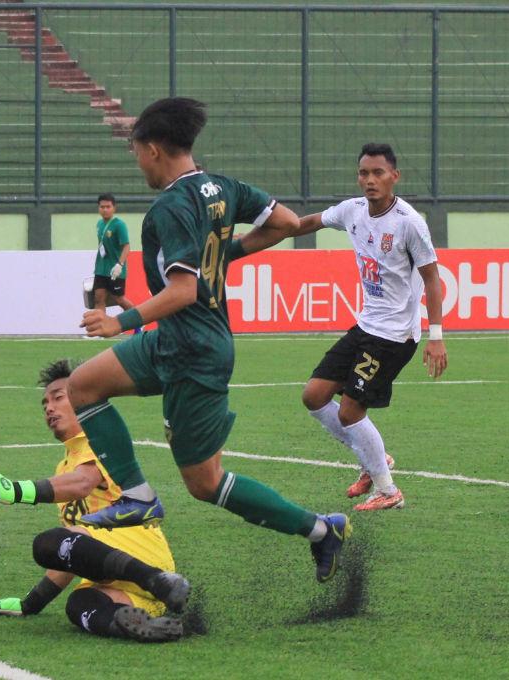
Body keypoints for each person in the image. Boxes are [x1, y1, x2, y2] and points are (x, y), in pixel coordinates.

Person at [67, 97, 351, 583]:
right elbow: (285, 223)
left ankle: (323, 530)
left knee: (205, 482)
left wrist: (123, 320)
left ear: (153, 149)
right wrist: (224, 255)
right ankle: (135, 497)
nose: (137, 164)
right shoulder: (221, 186)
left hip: (195, 352)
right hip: (175, 340)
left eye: (136, 152)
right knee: (82, 386)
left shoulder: (170, 207)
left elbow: (184, 289)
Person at [0, 359, 190, 642]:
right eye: (45, 403)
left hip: (144, 558)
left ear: (80, 397)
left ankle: (157, 580)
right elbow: (72, 552)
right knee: (79, 605)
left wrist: (16, 490)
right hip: (132, 585)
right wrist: (30, 604)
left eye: (58, 397)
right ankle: (149, 628)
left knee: (46, 543)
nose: (49, 407)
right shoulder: (64, 467)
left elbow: (84, 482)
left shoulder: (102, 440)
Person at [289, 143, 447, 511]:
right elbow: (306, 223)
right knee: (314, 396)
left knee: (350, 411)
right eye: (364, 173)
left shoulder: (409, 223)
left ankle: (388, 490)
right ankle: (372, 459)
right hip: (366, 325)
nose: (370, 180)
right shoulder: (353, 211)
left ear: (395, 176)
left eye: (378, 173)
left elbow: (433, 280)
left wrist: (436, 337)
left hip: (394, 336)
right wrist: (265, 233)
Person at [92, 194, 137, 317]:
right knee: (98, 299)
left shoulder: (119, 225)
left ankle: (139, 321)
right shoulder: (99, 224)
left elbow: (126, 246)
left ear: (114, 208)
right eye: (102, 207)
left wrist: (119, 264)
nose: (105, 209)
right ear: (98, 208)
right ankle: (99, 331)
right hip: (101, 269)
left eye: (108, 207)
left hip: (115, 270)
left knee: (119, 299)